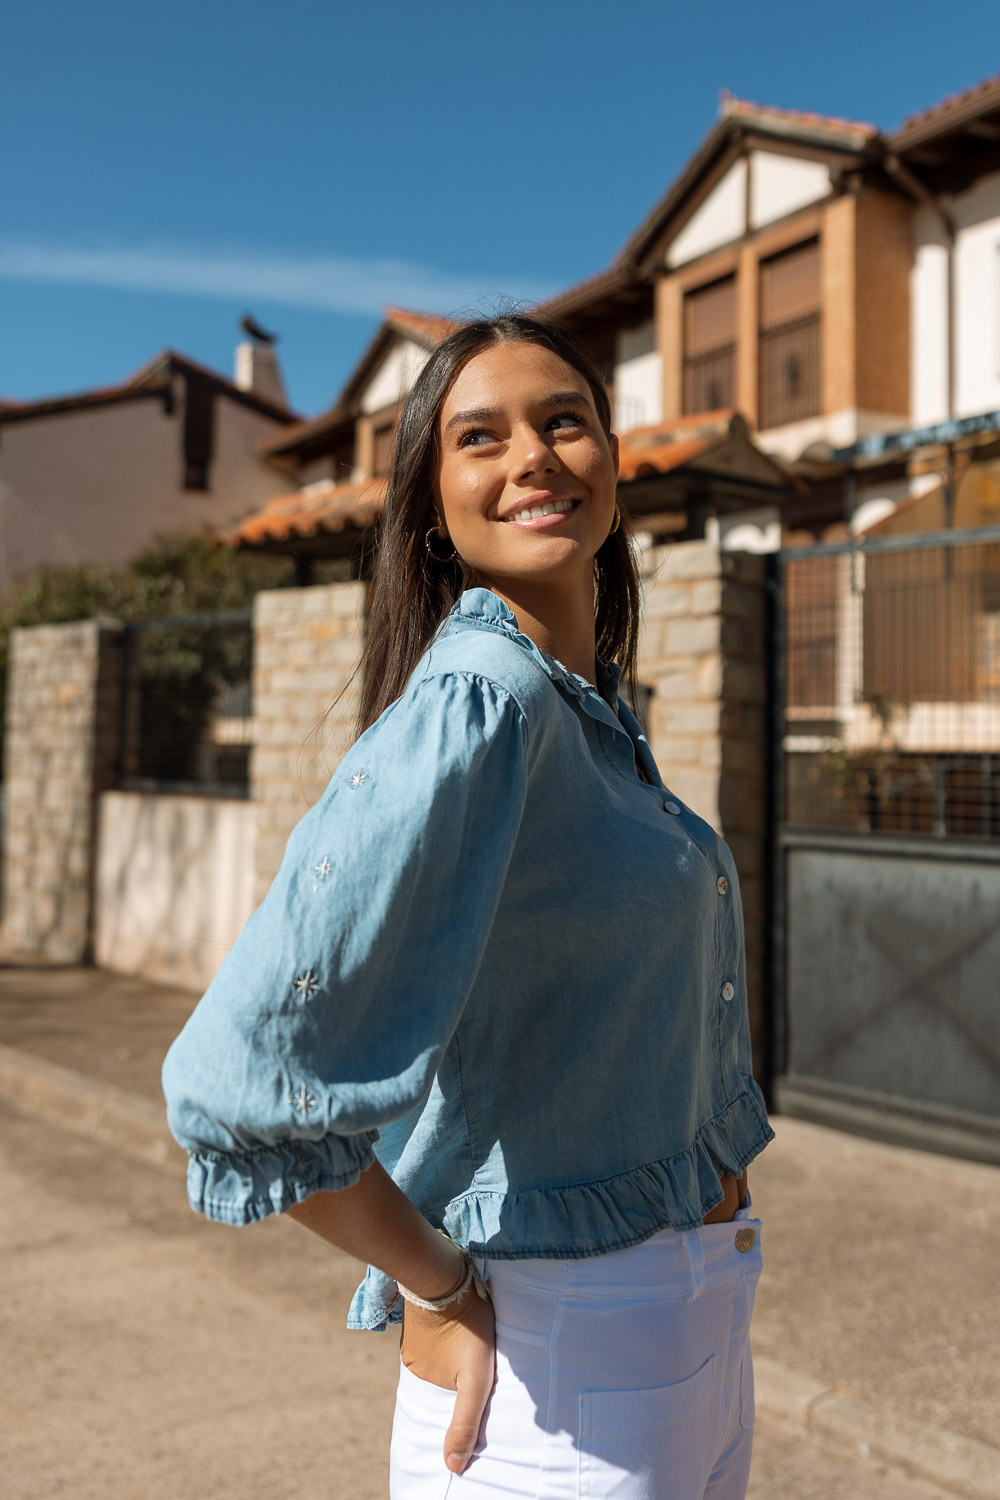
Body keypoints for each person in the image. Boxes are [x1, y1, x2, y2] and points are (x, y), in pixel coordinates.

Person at [162, 312, 774, 1500]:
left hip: (689, 1327)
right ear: (431, 507)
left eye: (564, 422)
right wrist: (436, 1286)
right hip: (560, 1367)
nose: (533, 456)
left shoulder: (582, 709)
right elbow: (240, 1086)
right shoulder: (483, 701)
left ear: (613, 464)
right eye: (479, 437)